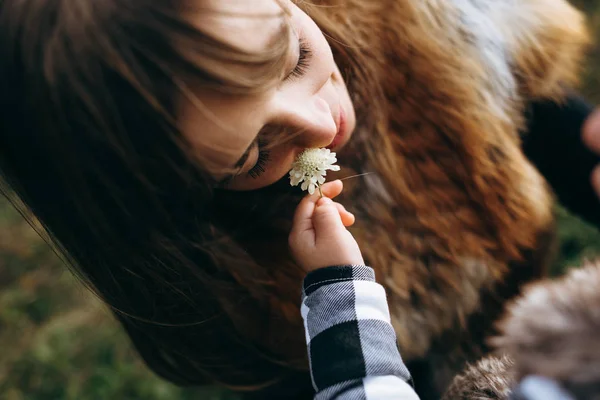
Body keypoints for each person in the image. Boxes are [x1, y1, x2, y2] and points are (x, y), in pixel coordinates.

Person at [0, 0, 597, 398]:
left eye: (299, 58)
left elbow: (543, 116)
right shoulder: (220, 281)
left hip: (526, 302)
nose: (320, 124)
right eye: (250, 156)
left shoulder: (426, 28)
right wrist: (332, 302)